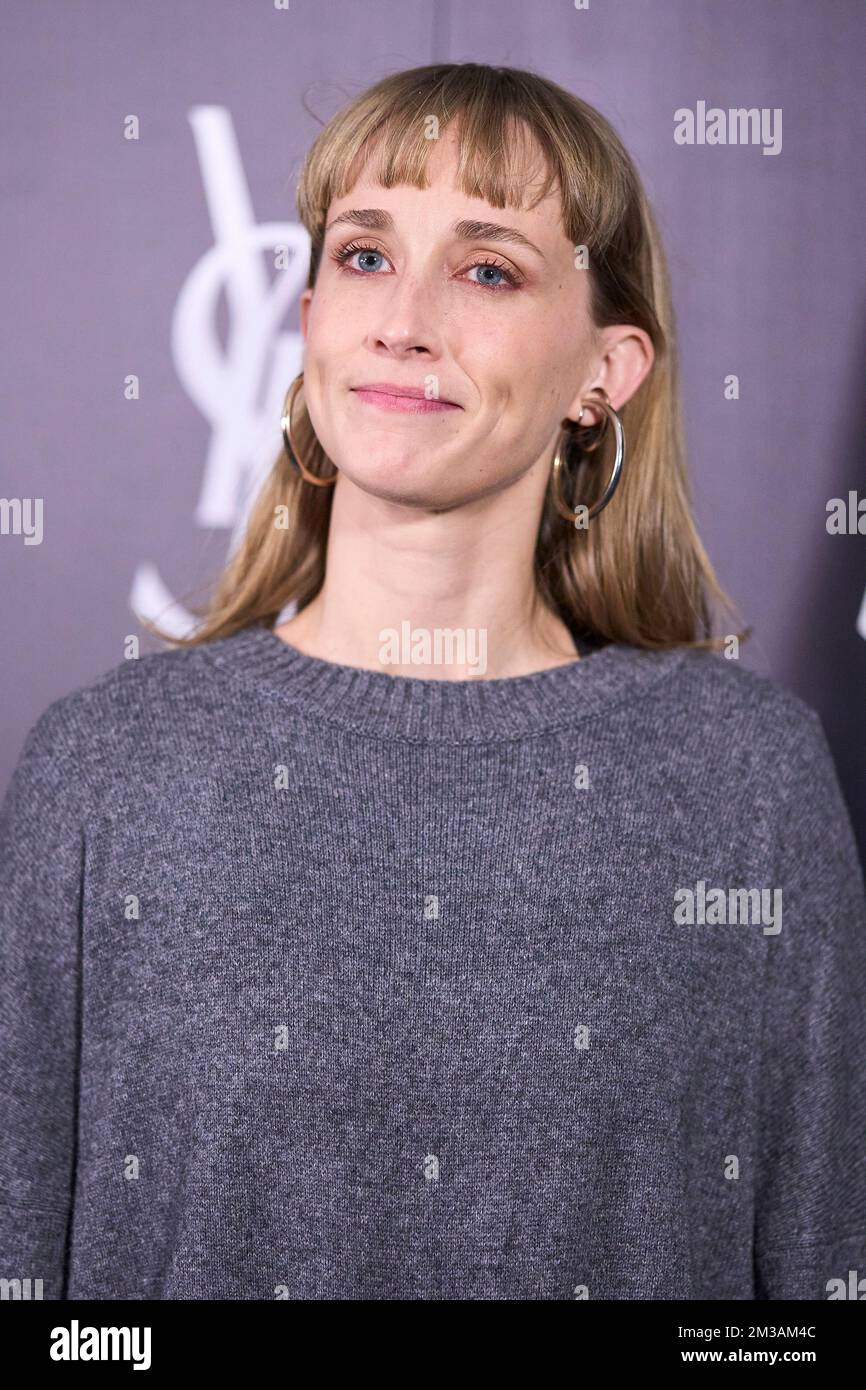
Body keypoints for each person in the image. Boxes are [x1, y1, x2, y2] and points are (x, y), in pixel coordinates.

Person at [1, 62, 864, 1301]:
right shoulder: (104, 769)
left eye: (486, 268)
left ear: (602, 374)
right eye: (362, 255)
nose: (401, 317)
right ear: (305, 316)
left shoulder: (745, 780)